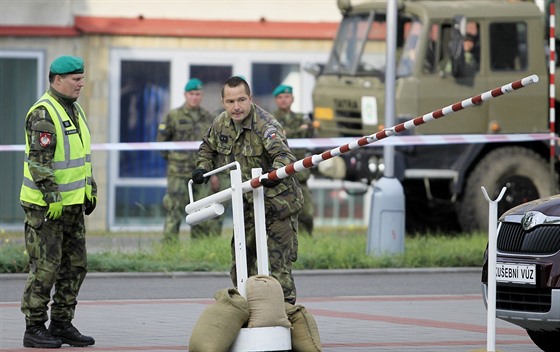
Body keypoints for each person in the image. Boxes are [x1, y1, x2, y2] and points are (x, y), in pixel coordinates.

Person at [192, 76, 303, 304]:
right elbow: (207, 148)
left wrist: (275, 172)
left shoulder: (265, 124)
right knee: (241, 264)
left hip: (277, 204)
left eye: (241, 100)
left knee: (278, 267)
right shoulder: (221, 123)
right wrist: (203, 168)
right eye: (230, 101)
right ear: (223, 102)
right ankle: (251, 314)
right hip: (246, 206)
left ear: (250, 99)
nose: (236, 107)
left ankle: (286, 321)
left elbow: (285, 156)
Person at [19, 55, 96, 348]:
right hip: (46, 208)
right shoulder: (43, 113)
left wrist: (92, 189)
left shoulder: (75, 110)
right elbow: (40, 163)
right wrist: (52, 197)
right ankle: (34, 327)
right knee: (45, 268)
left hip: (73, 206)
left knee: (75, 265)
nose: (81, 83)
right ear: (57, 80)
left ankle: (62, 324)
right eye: (76, 79)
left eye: (82, 78)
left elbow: (82, 158)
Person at [157, 78, 223, 243]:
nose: (194, 97)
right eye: (191, 94)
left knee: (201, 213)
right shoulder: (173, 116)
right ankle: (169, 250)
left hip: (200, 173)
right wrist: (174, 160)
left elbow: (212, 146)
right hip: (178, 173)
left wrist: (212, 172)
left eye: (197, 94)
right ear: (185, 95)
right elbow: (161, 143)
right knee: (174, 211)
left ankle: (197, 250)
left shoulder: (207, 117)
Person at [271, 84, 315, 236]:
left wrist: (287, 132)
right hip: (279, 172)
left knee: (306, 212)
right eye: (280, 97)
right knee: (280, 212)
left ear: (293, 99)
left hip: (300, 172)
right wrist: (297, 131)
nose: (284, 100)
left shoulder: (301, 117)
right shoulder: (270, 119)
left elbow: (309, 131)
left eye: (287, 97)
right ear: (276, 100)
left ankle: (307, 240)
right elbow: (277, 136)